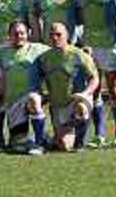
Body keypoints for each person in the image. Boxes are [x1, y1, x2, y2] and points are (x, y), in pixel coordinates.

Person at [0, 20, 48, 154]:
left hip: (31, 98)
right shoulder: (0, 52)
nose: (19, 36)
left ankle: (39, 144)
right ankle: (34, 138)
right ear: (9, 35)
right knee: (17, 146)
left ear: (27, 33)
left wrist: (83, 52)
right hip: (13, 104)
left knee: (33, 99)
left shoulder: (38, 49)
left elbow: (59, 51)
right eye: (15, 33)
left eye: (22, 33)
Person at [76, 0, 116, 148]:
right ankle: (99, 135)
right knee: (94, 91)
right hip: (90, 47)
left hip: (110, 45)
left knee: (114, 89)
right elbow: (80, 19)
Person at [38, 23, 99, 151]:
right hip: (58, 106)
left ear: (67, 36)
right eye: (52, 35)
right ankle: (50, 138)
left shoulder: (78, 54)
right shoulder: (44, 58)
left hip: (76, 102)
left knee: (81, 108)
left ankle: (79, 142)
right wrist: (42, 95)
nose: (55, 38)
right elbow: (40, 81)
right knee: (63, 146)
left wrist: (85, 93)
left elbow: (94, 78)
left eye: (58, 35)